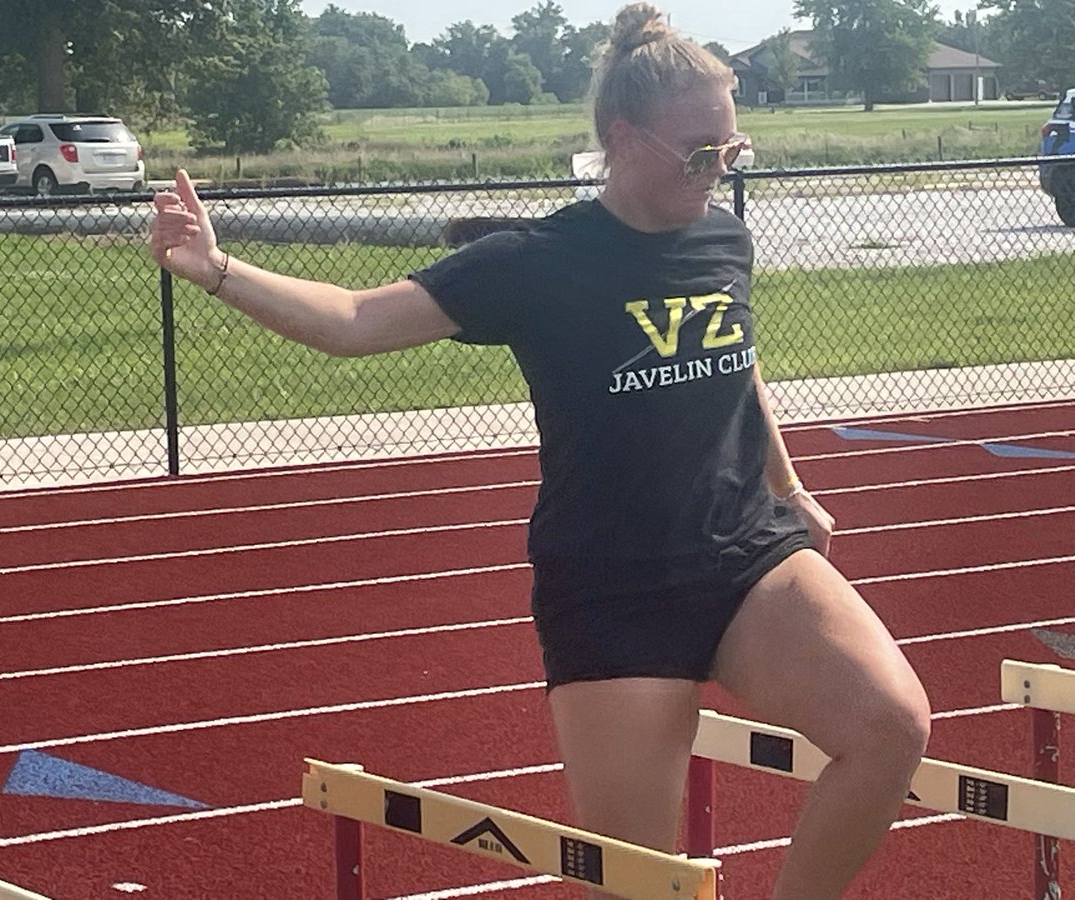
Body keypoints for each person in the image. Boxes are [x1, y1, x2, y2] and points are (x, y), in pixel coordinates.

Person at [150, 4, 931, 897]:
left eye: (732, 149)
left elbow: (735, 360)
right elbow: (356, 321)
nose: (719, 170)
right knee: (639, 881)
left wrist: (790, 486)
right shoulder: (534, 260)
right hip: (612, 589)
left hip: (746, 552)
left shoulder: (723, 234)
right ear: (624, 138)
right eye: (700, 151)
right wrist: (215, 267)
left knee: (891, 726)